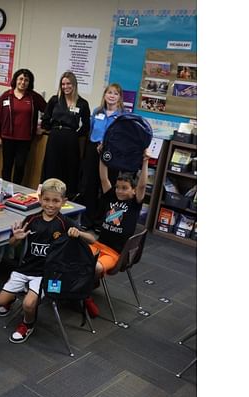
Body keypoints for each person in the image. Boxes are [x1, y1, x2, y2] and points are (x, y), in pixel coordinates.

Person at [0, 178, 95, 343]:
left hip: (47, 274)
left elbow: (91, 239)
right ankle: (11, 299)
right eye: (46, 199)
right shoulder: (32, 219)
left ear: (64, 202)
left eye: (56, 201)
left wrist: (79, 233)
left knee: (28, 304)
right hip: (26, 268)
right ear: (40, 198)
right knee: (0, 300)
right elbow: (12, 243)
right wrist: (16, 239)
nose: (50, 204)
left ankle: (28, 324)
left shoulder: (64, 222)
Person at [83, 152, 149, 317]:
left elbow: (142, 185)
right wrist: (102, 156)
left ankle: (85, 293)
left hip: (114, 253)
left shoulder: (134, 203)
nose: (119, 191)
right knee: (78, 257)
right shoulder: (111, 196)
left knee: (95, 267)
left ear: (133, 191)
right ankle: (83, 288)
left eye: (125, 188)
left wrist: (145, 162)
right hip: (98, 245)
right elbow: (103, 177)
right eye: (118, 187)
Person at [80, 83, 124, 228]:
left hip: (111, 153)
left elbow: (122, 137)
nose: (112, 96)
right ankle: (87, 220)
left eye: (115, 93)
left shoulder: (122, 116)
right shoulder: (97, 111)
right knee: (90, 186)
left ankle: (101, 222)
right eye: (109, 92)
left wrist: (106, 144)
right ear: (104, 95)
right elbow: (91, 130)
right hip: (94, 150)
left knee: (107, 187)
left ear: (119, 98)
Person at [41, 71, 90, 199]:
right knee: (52, 165)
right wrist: (52, 130)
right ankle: (48, 195)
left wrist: (75, 134)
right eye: (63, 84)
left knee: (70, 167)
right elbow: (45, 119)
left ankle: (67, 196)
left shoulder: (82, 103)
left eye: (68, 83)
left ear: (74, 85)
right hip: (55, 137)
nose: (65, 87)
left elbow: (86, 126)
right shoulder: (54, 100)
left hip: (71, 139)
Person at [0, 68, 47, 184]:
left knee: (20, 165)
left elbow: (48, 111)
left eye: (26, 80)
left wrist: (43, 127)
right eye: (21, 79)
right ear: (15, 80)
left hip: (25, 139)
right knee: (7, 165)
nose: (23, 82)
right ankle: (5, 190)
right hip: (8, 137)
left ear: (30, 82)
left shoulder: (34, 97)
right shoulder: (6, 96)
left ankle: (17, 191)